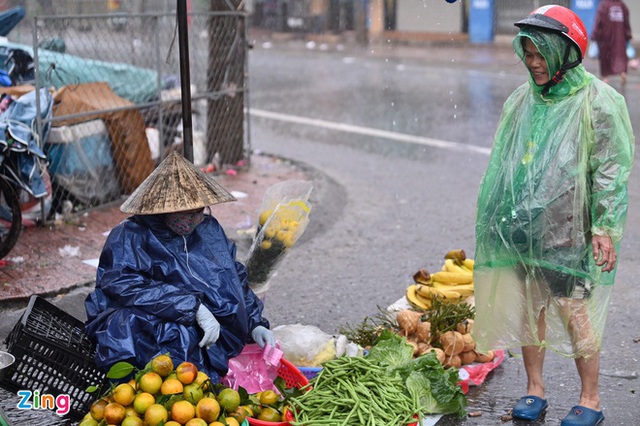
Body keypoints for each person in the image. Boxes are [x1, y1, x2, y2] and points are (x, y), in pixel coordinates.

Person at [471, 5, 634, 426]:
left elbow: (612, 169)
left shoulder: (599, 101)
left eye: (541, 53)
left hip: (569, 230)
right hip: (523, 228)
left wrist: (604, 228)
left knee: (573, 310)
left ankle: (591, 399)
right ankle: (534, 389)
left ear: (566, 51)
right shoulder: (523, 99)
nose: (533, 62)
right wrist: (494, 218)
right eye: (527, 53)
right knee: (531, 311)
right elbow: (503, 164)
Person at [84, 151, 275, 382]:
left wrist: (255, 323)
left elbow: (234, 277)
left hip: (214, 328)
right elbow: (123, 284)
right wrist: (191, 308)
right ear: (164, 210)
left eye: (200, 211)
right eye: (188, 213)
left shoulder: (208, 230)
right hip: (155, 324)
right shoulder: (130, 236)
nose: (196, 219)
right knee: (153, 332)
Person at [591, 0, 632, 86]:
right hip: (620, 37)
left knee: (606, 57)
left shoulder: (603, 5)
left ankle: (606, 77)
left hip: (606, 37)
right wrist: (628, 34)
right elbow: (626, 22)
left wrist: (594, 35)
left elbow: (598, 21)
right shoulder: (622, 5)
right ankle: (622, 72)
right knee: (620, 56)